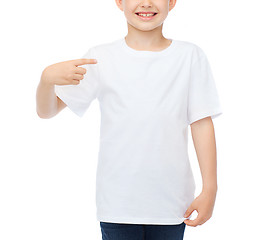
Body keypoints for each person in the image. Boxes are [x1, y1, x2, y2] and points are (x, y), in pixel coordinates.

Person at [36, 0, 223, 239]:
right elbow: (47, 111)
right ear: (119, 2)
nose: (146, 3)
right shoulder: (100, 58)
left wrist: (210, 188)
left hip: (172, 204)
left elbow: (201, 123)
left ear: (172, 1)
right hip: (117, 205)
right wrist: (46, 80)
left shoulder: (189, 56)